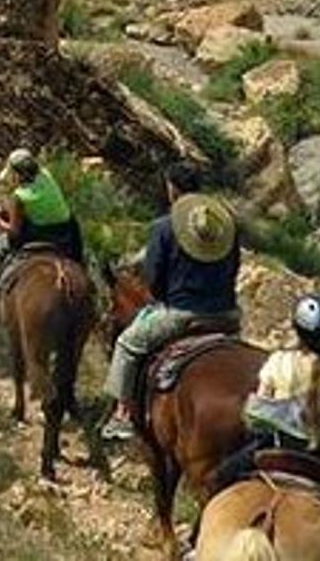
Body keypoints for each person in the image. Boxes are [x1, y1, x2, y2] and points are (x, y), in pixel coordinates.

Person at [212, 294, 320, 561]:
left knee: (218, 479)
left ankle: (193, 545)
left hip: (274, 450)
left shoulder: (278, 362)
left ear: (298, 331)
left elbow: (256, 414)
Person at [103, 161, 241, 441]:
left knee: (127, 345)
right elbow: (235, 267)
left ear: (172, 190)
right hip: (227, 315)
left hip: (181, 314)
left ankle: (122, 415)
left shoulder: (164, 227)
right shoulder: (226, 225)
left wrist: (164, 295)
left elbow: (152, 277)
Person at [0, 148, 83, 312]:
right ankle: (88, 272)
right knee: (80, 253)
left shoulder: (20, 196)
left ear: (17, 174)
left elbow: (14, 231)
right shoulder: (46, 175)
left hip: (39, 235)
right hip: (65, 232)